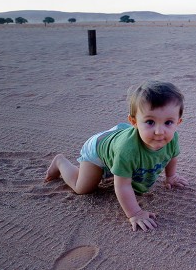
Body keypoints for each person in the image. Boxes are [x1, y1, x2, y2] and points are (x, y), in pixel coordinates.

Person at [45, 80, 188, 232]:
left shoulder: (172, 139)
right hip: (98, 148)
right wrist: (135, 213)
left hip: (119, 137)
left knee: (126, 170)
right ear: (134, 121)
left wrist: (170, 176)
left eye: (168, 122)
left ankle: (117, 163)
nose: (159, 131)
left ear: (178, 122)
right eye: (150, 122)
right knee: (83, 188)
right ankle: (60, 162)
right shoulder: (126, 150)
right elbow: (122, 185)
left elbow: (172, 156)